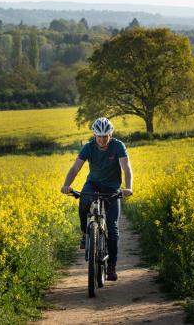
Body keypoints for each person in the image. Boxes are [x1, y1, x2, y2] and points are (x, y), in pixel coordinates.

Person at [61, 117, 133, 281]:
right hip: (92, 185)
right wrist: (66, 185)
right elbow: (75, 167)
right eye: (99, 136)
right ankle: (85, 232)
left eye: (105, 136)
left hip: (112, 188)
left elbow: (126, 168)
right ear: (94, 135)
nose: (102, 140)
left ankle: (112, 266)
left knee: (113, 229)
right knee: (83, 200)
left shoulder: (118, 146)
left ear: (111, 134)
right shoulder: (88, 147)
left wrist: (128, 187)